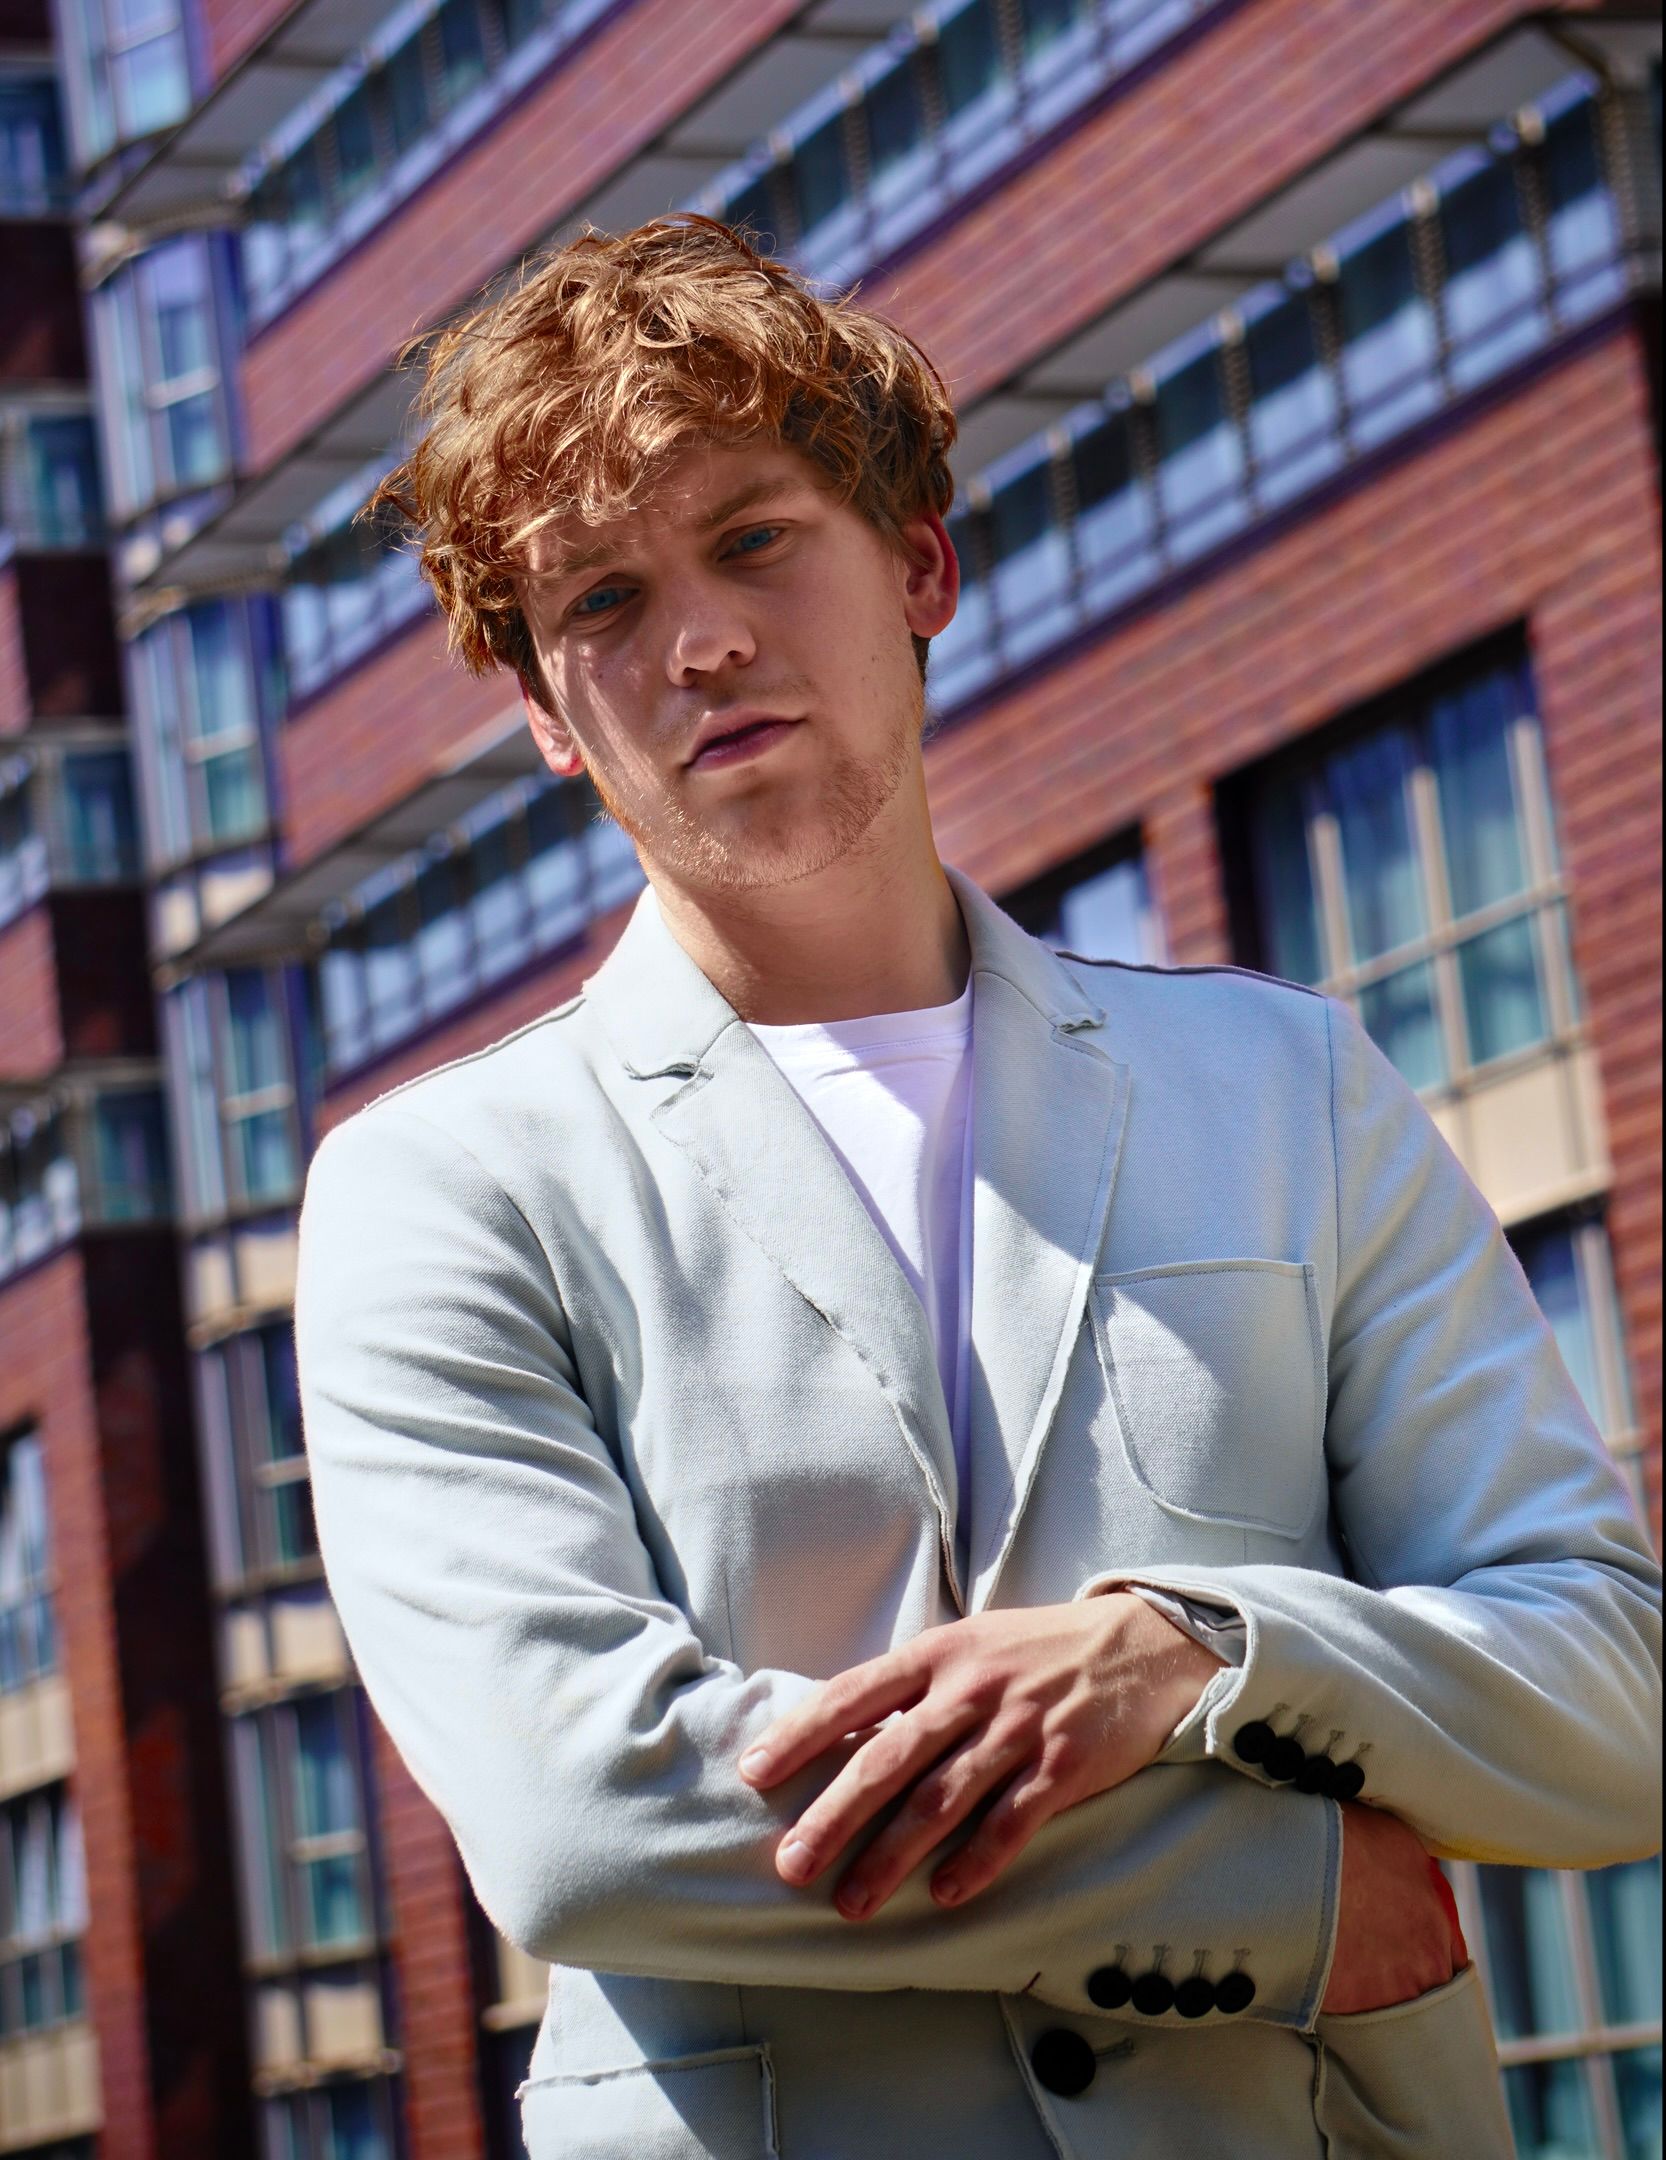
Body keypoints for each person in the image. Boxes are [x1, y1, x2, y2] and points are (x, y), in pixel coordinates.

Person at [294, 216, 1661, 2160]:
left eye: (754, 539)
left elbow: (1608, 1693)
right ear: (544, 715)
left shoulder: (1289, 1088)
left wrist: (1189, 1652)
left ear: (919, 565)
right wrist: (1274, 1903)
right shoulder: (438, 1189)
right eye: (601, 599)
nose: (699, 642)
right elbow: (582, 1818)